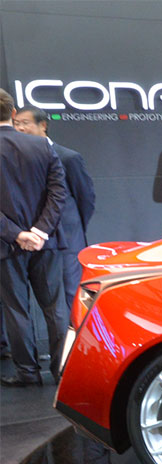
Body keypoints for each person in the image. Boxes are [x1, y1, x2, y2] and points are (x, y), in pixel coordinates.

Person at [0, 89, 68, 387]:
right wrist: (40, 231)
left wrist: (17, 234)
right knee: (55, 308)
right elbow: (59, 193)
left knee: (16, 309)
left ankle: (28, 373)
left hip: (6, 244)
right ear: (13, 113)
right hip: (46, 242)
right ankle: (62, 370)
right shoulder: (42, 145)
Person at [13, 108, 96, 313]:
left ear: (43, 125)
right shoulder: (14, 159)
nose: (20, 128)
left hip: (67, 239)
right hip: (30, 241)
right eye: (16, 124)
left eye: (25, 123)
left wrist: (74, 228)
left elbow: (85, 198)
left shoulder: (68, 157)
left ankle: (79, 332)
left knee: (72, 294)